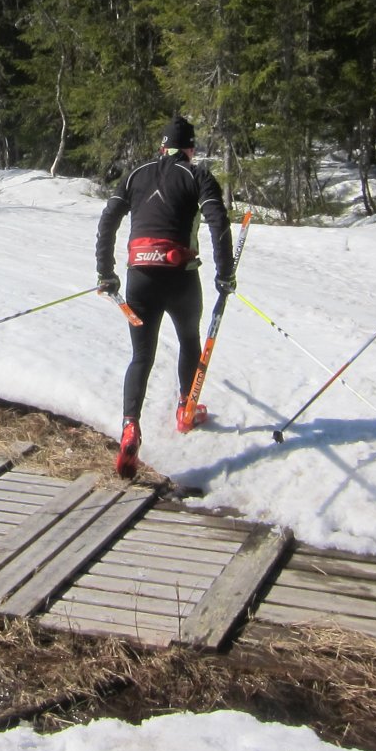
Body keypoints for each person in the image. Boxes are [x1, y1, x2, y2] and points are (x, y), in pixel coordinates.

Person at [96, 115, 236, 479]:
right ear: (190, 148)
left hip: (138, 277)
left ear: (162, 147)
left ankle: (130, 427)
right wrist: (225, 273)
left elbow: (108, 219)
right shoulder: (197, 175)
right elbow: (217, 221)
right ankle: (185, 411)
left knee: (141, 355)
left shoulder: (135, 173)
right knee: (189, 339)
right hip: (181, 278)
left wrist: (105, 273)